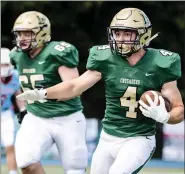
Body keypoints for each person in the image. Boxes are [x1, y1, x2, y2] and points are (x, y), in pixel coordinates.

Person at [16, 8, 184, 174]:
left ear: (143, 35)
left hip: (139, 138)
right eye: (117, 34)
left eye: (127, 34)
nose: (120, 39)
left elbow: (179, 109)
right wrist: (43, 93)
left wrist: (165, 117)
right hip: (108, 137)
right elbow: (74, 86)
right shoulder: (105, 57)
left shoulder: (161, 62)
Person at [10, 11, 88, 174]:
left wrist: (42, 93)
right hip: (36, 117)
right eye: (19, 34)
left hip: (68, 117)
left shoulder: (57, 52)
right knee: (26, 162)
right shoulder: (16, 55)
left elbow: (74, 89)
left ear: (42, 33)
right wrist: (25, 109)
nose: (22, 38)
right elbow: (22, 86)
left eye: (28, 33)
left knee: (74, 170)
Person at [1, 47, 26, 174]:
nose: (4, 67)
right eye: (1, 64)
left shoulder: (16, 76)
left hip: (5, 113)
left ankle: (13, 172)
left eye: (6, 64)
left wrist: (23, 109)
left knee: (10, 145)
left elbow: (18, 94)